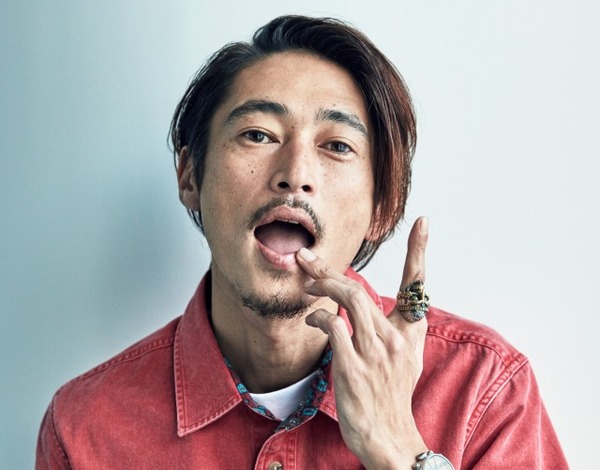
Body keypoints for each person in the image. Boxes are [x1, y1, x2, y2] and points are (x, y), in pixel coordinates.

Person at [36, 15, 567, 469]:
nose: (296, 173)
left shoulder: (487, 390)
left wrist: (400, 451)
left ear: (382, 208)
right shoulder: (84, 427)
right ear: (190, 176)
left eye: (337, 145)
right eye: (258, 135)